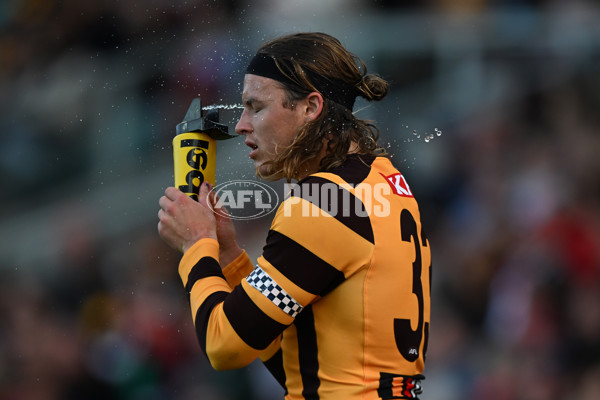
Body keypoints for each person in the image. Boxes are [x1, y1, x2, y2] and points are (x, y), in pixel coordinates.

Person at [158, 32, 431, 400]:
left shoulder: (322, 203)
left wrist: (196, 246)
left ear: (310, 107)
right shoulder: (381, 179)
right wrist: (227, 257)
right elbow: (304, 364)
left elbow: (224, 346)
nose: (241, 125)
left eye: (256, 107)